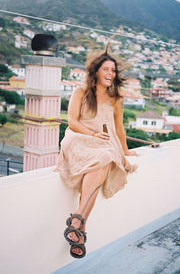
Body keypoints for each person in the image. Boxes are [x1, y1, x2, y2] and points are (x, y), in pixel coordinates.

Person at [55, 45, 138, 258]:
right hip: (79, 139)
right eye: (106, 69)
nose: (111, 74)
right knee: (106, 156)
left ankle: (78, 225)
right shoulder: (80, 92)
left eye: (113, 70)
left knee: (106, 156)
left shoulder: (116, 99)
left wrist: (126, 151)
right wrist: (92, 135)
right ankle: (79, 226)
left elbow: (119, 129)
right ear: (96, 71)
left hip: (103, 143)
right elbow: (71, 121)